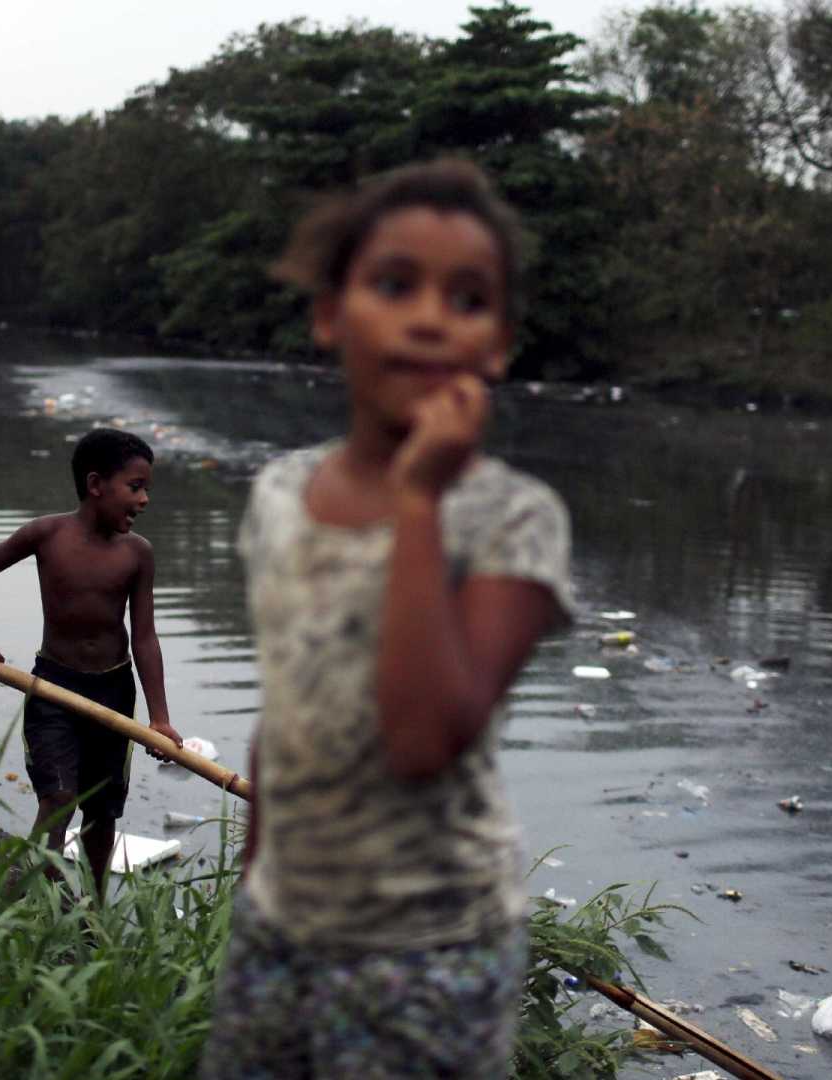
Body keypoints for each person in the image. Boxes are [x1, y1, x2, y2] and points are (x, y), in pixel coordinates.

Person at [201, 160, 574, 1078]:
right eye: (395, 284)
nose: (430, 316)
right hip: (281, 924)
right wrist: (255, 891)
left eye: (469, 297)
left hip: (432, 951)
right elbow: (288, 712)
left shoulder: (515, 519)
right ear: (330, 314)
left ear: (499, 344)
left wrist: (419, 503)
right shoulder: (281, 493)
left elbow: (421, 740)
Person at [0, 427, 182, 902]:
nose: (143, 499)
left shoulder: (137, 554)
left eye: (146, 489)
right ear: (96, 484)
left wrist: (159, 717)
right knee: (57, 798)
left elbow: (144, 637)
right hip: (54, 689)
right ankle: (39, 898)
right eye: (135, 487)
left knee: (102, 811)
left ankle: (94, 905)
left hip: (113, 694)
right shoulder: (48, 534)